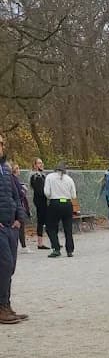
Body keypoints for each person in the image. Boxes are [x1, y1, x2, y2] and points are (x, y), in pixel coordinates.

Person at [0, 132, 27, 324]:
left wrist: (19, 218)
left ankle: (6, 305)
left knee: (10, 268)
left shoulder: (6, 170)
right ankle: (1, 308)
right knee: (5, 264)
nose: (1, 146)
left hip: (12, 226)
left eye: (2, 143)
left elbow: (16, 196)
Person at [44, 159, 77, 258]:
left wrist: (52, 197)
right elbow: (73, 195)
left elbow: (47, 193)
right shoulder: (69, 179)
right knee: (68, 228)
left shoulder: (50, 177)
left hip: (55, 203)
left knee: (51, 227)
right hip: (67, 204)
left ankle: (56, 248)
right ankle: (69, 250)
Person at [29, 158, 48, 249]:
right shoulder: (35, 176)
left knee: (47, 221)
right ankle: (40, 243)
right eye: (39, 163)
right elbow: (39, 190)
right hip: (40, 201)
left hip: (44, 200)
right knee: (41, 221)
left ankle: (52, 240)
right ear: (35, 165)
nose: (41, 165)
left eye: (41, 163)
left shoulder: (43, 175)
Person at [11, 164, 30, 251]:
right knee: (19, 225)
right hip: (17, 206)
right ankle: (23, 246)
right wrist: (23, 190)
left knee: (20, 225)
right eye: (17, 168)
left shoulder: (15, 179)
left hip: (17, 205)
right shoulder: (14, 179)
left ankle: (22, 245)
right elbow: (19, 193)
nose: (19, 170)